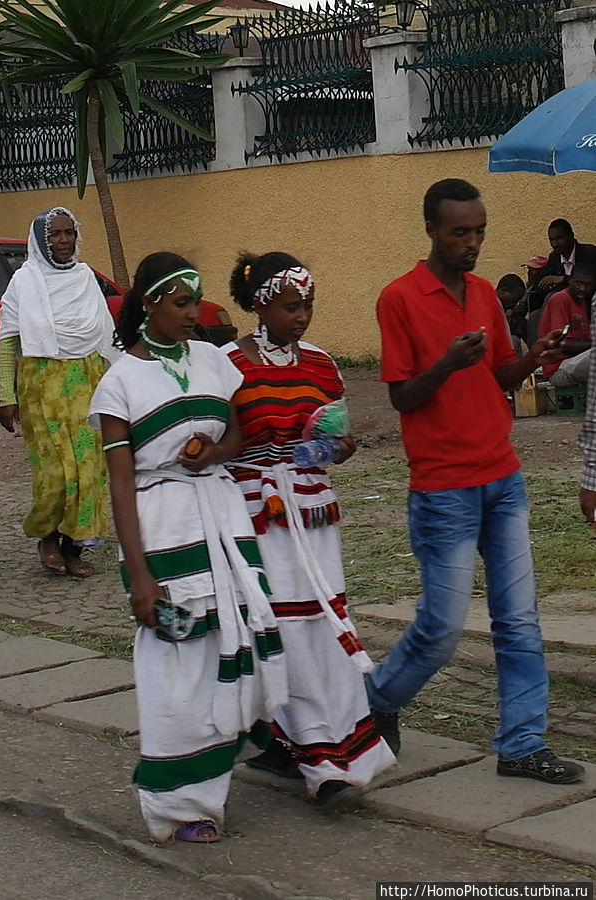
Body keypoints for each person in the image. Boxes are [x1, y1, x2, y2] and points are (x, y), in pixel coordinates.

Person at [366, 178, 584, 784]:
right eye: (460, 232)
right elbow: (403, 397)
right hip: (443, 490)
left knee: (519, 621)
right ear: (433, 230)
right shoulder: (400, 298)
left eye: (480, 231)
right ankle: (374, 701)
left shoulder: (486, 293)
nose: (472, 242)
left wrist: (532, 356)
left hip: (503, 477)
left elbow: (497, 379)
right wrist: (446, 364)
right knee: (441, 627)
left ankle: (522, 743)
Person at [88, 252, 287, 843]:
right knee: (176, 657)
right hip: (162, 524)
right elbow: (121, 482)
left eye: (195, 302)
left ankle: (220, 772)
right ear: (148, 304)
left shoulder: (212, 363)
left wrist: (212, 451)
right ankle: (177, 804)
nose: (192, 314)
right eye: (179, 303)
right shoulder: (119, 381)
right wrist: (140, 575)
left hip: (221, 521)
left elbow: (236, 436)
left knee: (235, 640)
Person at [223, 251, 396, 812]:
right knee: (282, 631)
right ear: (261, 305)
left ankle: (336, 746)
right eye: (292, 306)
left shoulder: (322, 365)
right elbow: (224, 446)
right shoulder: (226, 365)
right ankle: (317, 757)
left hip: (314, 515)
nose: (303, 317)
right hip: (258, 518)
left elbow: (335, 444)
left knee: (324, 626)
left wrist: (331, 446)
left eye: (309, 306)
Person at [0, 207, 118, 577]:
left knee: (87, 468)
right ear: (41, 240)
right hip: (42, 383)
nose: (63, 241)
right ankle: (46, 535)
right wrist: (6, 396)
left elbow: (106, 338)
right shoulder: (24, 281)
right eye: (55, 235)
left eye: (68, 233)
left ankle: (73, 545)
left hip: (87, 381)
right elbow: (7, 342)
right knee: (53, 472)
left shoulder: (85, 278)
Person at [538, 266, 595, 386]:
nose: (582, 289)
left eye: (588, 285)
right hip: (559, 369)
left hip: (574, 362)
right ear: (570, 280)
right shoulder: (560, 299)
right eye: (579, 283)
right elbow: (561, 344)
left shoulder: (582, 302)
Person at [536, 219, 596, 296]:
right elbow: (543, 281)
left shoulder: (589, 253)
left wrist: (563, 279)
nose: (554, 244)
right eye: (551, 239)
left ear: (571, 236)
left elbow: (590, 281)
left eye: (559, 238)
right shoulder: (554, 257)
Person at [495, 273, 527, 354]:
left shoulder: (503, 305)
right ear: (503, 291)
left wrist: (509, 309)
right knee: (514, 341)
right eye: (515, 300)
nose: (515, 303)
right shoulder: (492, 305)